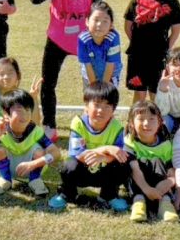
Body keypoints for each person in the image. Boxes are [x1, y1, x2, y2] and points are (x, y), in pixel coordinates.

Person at [30, 0, 103, 134]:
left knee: (93, 83)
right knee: (48, 82)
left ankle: (91, 120)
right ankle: (49, 124)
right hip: (57, 39)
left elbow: (99, 14)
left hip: (86, 40)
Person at [49, 81, 128, 212]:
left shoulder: (117, 127)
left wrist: (102, 157)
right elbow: (77, 154)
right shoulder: (78, 123)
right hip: (82, 170)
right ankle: (68, 194)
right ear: (86, 106)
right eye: (96, 105)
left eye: (107, 106)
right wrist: (105, 149)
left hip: (104, 171)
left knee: (123, 165)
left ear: (114, 110)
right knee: (68, 165)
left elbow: (118, 155)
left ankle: (109, 195)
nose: (101, 110)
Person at [0, 88, 60, 198]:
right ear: (6, 113)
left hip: (31, 167)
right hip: (9, 166)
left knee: (39, 150)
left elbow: (56, 153)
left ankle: (35, 179)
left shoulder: (35, 130)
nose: (25, 114)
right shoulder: (1, 129)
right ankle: (5, 179)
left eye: (27, 109)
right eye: (19, 109)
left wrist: (33, 164)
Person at [123, 0, 180, 102]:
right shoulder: (136, 1)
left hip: (159, 56)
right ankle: (134, 122)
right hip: (138, 56)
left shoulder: (172, 3)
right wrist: (137, 44)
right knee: (139, 93)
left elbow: (175, 30)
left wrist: (167, 48)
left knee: (156, 92)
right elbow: (128, 26)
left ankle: (156, 122)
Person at [0, 57, 43, 167]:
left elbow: (35, 123)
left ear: (18, 75)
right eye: (1, 74)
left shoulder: (21, 95)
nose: (6, 77)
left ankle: (13, 153)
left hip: (13, 135)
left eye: (10, 72)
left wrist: (34, 98)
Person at [124, 99, 178, 223]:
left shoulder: (166, 144)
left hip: (161, 187)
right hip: (139, 184)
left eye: (152, 119)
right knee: (134, 164)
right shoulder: (129, 142)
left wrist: (170, 182)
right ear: (131, 123)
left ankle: (165, 204)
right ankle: (138, 202)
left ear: (159, 122)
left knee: (157, 161)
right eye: (141, 119)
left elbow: (172, 169)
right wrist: (147, 190)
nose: (146, 123)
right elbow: (134, 170)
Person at [77, 0, 122, 87]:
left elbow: (110, 64)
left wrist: (103, 87)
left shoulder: (113, 38)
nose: (99, 24)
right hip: (89, 75)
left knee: (108, 98)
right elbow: (87, 65)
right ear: (87, 21)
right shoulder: (83, 39)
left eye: (105, 21)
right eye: (96, 19)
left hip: (111, 75)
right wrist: (94, 87)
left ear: (111, 24)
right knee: (92, 98)